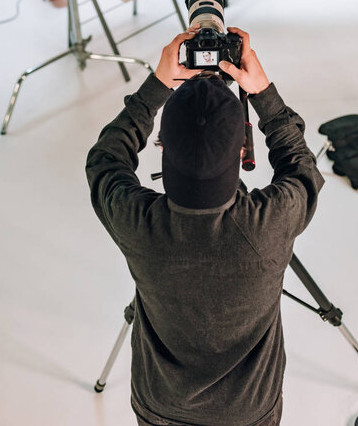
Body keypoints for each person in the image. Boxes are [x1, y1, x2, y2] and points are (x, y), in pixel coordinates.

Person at [86, 25, 324, 426]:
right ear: (243, 151)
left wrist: (158, 85)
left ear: (161, 147)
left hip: (160, 406)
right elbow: (303, 168)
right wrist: (262, 90)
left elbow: (105, 160)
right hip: (250, 412)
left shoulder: (137, 222)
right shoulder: (273, 222)